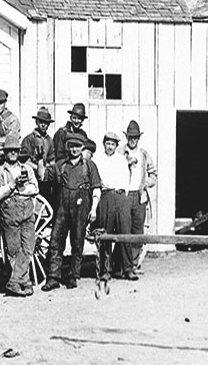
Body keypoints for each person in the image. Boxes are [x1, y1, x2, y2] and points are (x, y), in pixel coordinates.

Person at [42, 133, 102, 291]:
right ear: (67, 147)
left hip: (81, 208)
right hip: (62, 208)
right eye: (71, 146)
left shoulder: (89, 166)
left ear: (82, 147)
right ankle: (54, 277)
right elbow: (43, 177)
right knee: (56, 242)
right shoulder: (60, 165)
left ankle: (73, 276)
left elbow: (96, 188)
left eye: (78, 146)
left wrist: (94, 209)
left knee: (77, 242)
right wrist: (41, 160)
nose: (74, 149)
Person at [0, 135, 39, 297]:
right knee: (14, 250)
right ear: (5, 153)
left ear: (19, 152)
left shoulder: (27, 169)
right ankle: (24, 281)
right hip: (9, 213)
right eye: (9, 151)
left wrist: (20, 189)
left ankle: (14, 281)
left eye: (15, 151)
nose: (12, 153)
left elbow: (35, 188)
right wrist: (12, 184)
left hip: (27, 211)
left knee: (28, 248)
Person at [92, 131, 138, 281]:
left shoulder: (121, 160)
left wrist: (123, 196)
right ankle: (105, 270)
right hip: (106, 196)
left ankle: (128, 269)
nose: (110, 146)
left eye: (113, 144)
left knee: (125, 232)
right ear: (104, 144)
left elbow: (126, 179)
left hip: (121, 196)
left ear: (116, 145)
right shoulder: (97, 160)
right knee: (105, 234)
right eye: (108, 143)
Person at [123, 120, 157, 274]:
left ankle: (134, 264)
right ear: (127, 137)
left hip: (139, 196)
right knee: (123, 231)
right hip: (123, 196)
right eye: (130, 137)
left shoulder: (144, 155)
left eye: (135, 137)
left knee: (137, 232)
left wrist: (146, 184)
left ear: (138, 138)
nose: (133, 140)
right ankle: (123, 265)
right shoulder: (119, 153)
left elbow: (154, 174)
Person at [22, 107, 54, 200]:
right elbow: (24, 161)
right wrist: (38, 167)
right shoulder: (29, 139)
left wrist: (47, 168)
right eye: (41, 122)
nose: (43, 125)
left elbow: (52, 160)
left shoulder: (49, 140)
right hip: (32, 176)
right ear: (36, 122)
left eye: (46, 123)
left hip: (45, 178)